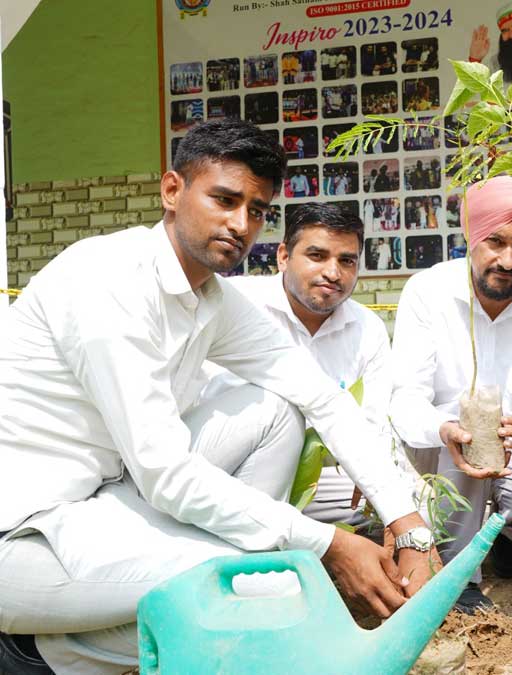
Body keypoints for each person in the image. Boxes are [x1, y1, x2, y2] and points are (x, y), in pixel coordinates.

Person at [0, 119, 436, 674]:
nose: (240, 224)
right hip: (22, 534)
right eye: (225, 199)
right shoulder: (106, 282)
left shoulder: (211, 298)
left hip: (102, 501)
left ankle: (94, 635)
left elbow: (322, 399)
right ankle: (34, 651)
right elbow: (165, 473)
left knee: (278, 411)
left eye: (256, 210)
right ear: (172, 190)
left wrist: (408, 525)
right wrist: (326, 545)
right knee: (260, 593)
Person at [390, 176, 512, 614]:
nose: (506, 260)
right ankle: (460, 575)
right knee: (463, 439)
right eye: (494, 241)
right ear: (471, 236)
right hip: (445, 451)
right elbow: (405, 400)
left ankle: (500, 537)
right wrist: (444, 429)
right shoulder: (427, 291)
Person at [201, 203, 400, 529]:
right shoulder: (235, 302)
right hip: (229, 470)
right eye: (317, 256)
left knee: (405, 505)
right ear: (283, 257)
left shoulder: (368, 329)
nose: (333, 273)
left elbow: (374, 423)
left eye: (346, 261)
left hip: (321, 476)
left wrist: (382, 492)